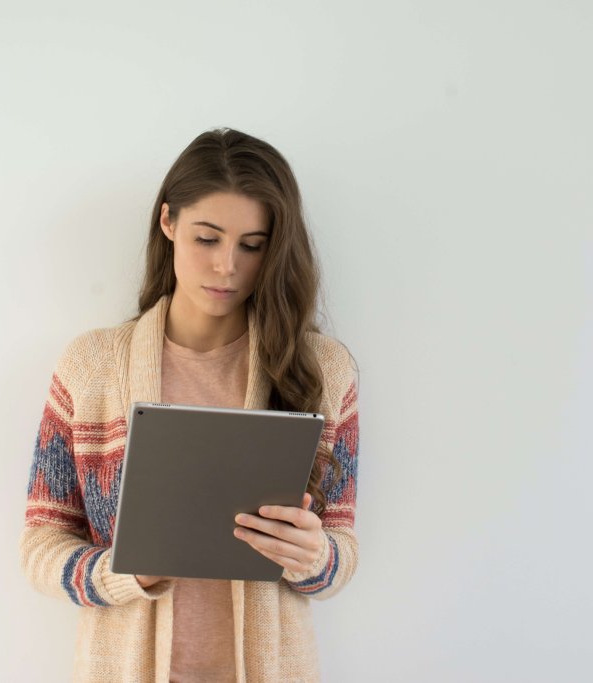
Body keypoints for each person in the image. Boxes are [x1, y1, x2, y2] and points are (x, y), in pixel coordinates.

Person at [20, 127, 360, 682]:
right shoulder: (91, 367)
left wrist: (315, 557)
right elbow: (41, 542)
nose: (228, 266)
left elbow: (341, 551)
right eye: (207, 238)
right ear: (168, 222)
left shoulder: (323, 370)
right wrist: (124, 573)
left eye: (252, 245)